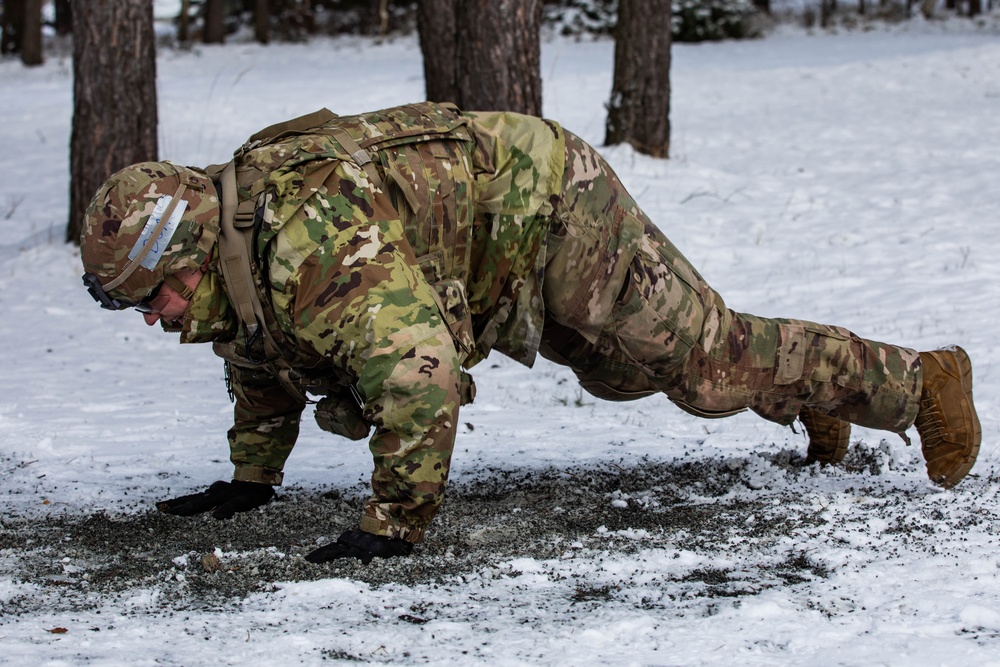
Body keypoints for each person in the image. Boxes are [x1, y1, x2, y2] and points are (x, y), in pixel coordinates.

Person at [80, 102, 981, 564]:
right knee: (622, 376)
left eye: (148, 299)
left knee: (703, 364)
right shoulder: (237, 255)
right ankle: (809, 393)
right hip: (494, 249)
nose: (153, 320)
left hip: (549, 199)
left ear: (187, 256)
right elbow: (260, 354)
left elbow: (419, 375)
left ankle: (920, 380)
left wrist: (392, 525)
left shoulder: (310, 243)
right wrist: (251, 478)